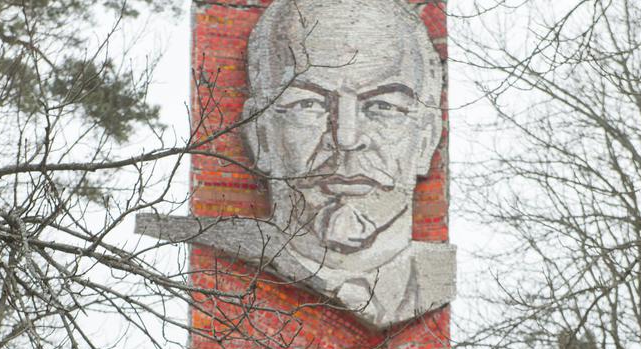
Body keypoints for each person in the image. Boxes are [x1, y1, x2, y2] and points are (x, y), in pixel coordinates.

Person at [136, 0, 455, 329]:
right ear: (260, 135)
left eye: (383, 106)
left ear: (427, 138)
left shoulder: (439, 278)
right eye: (308, 104)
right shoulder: (215, 251)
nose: (346, 137)